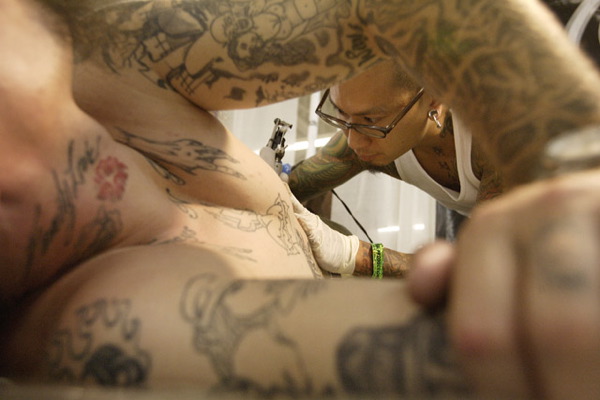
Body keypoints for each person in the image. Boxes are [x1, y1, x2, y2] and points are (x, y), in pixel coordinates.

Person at [1, 1, 600, 399]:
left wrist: (579, 163)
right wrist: (366, 258)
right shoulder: (66, 320)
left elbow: (413, 9)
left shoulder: (72, 42)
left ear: (433, 106)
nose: (357, 137)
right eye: (348, 120)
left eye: (372, 122)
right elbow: (496, 348)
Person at [288, 59, 503, 277]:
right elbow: (289, 187)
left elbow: (478, 265)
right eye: (341, 113)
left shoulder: (501, 138)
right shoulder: (361, 137)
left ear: (434, 99)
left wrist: (355, 255)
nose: (354, 142)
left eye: (371, 119)